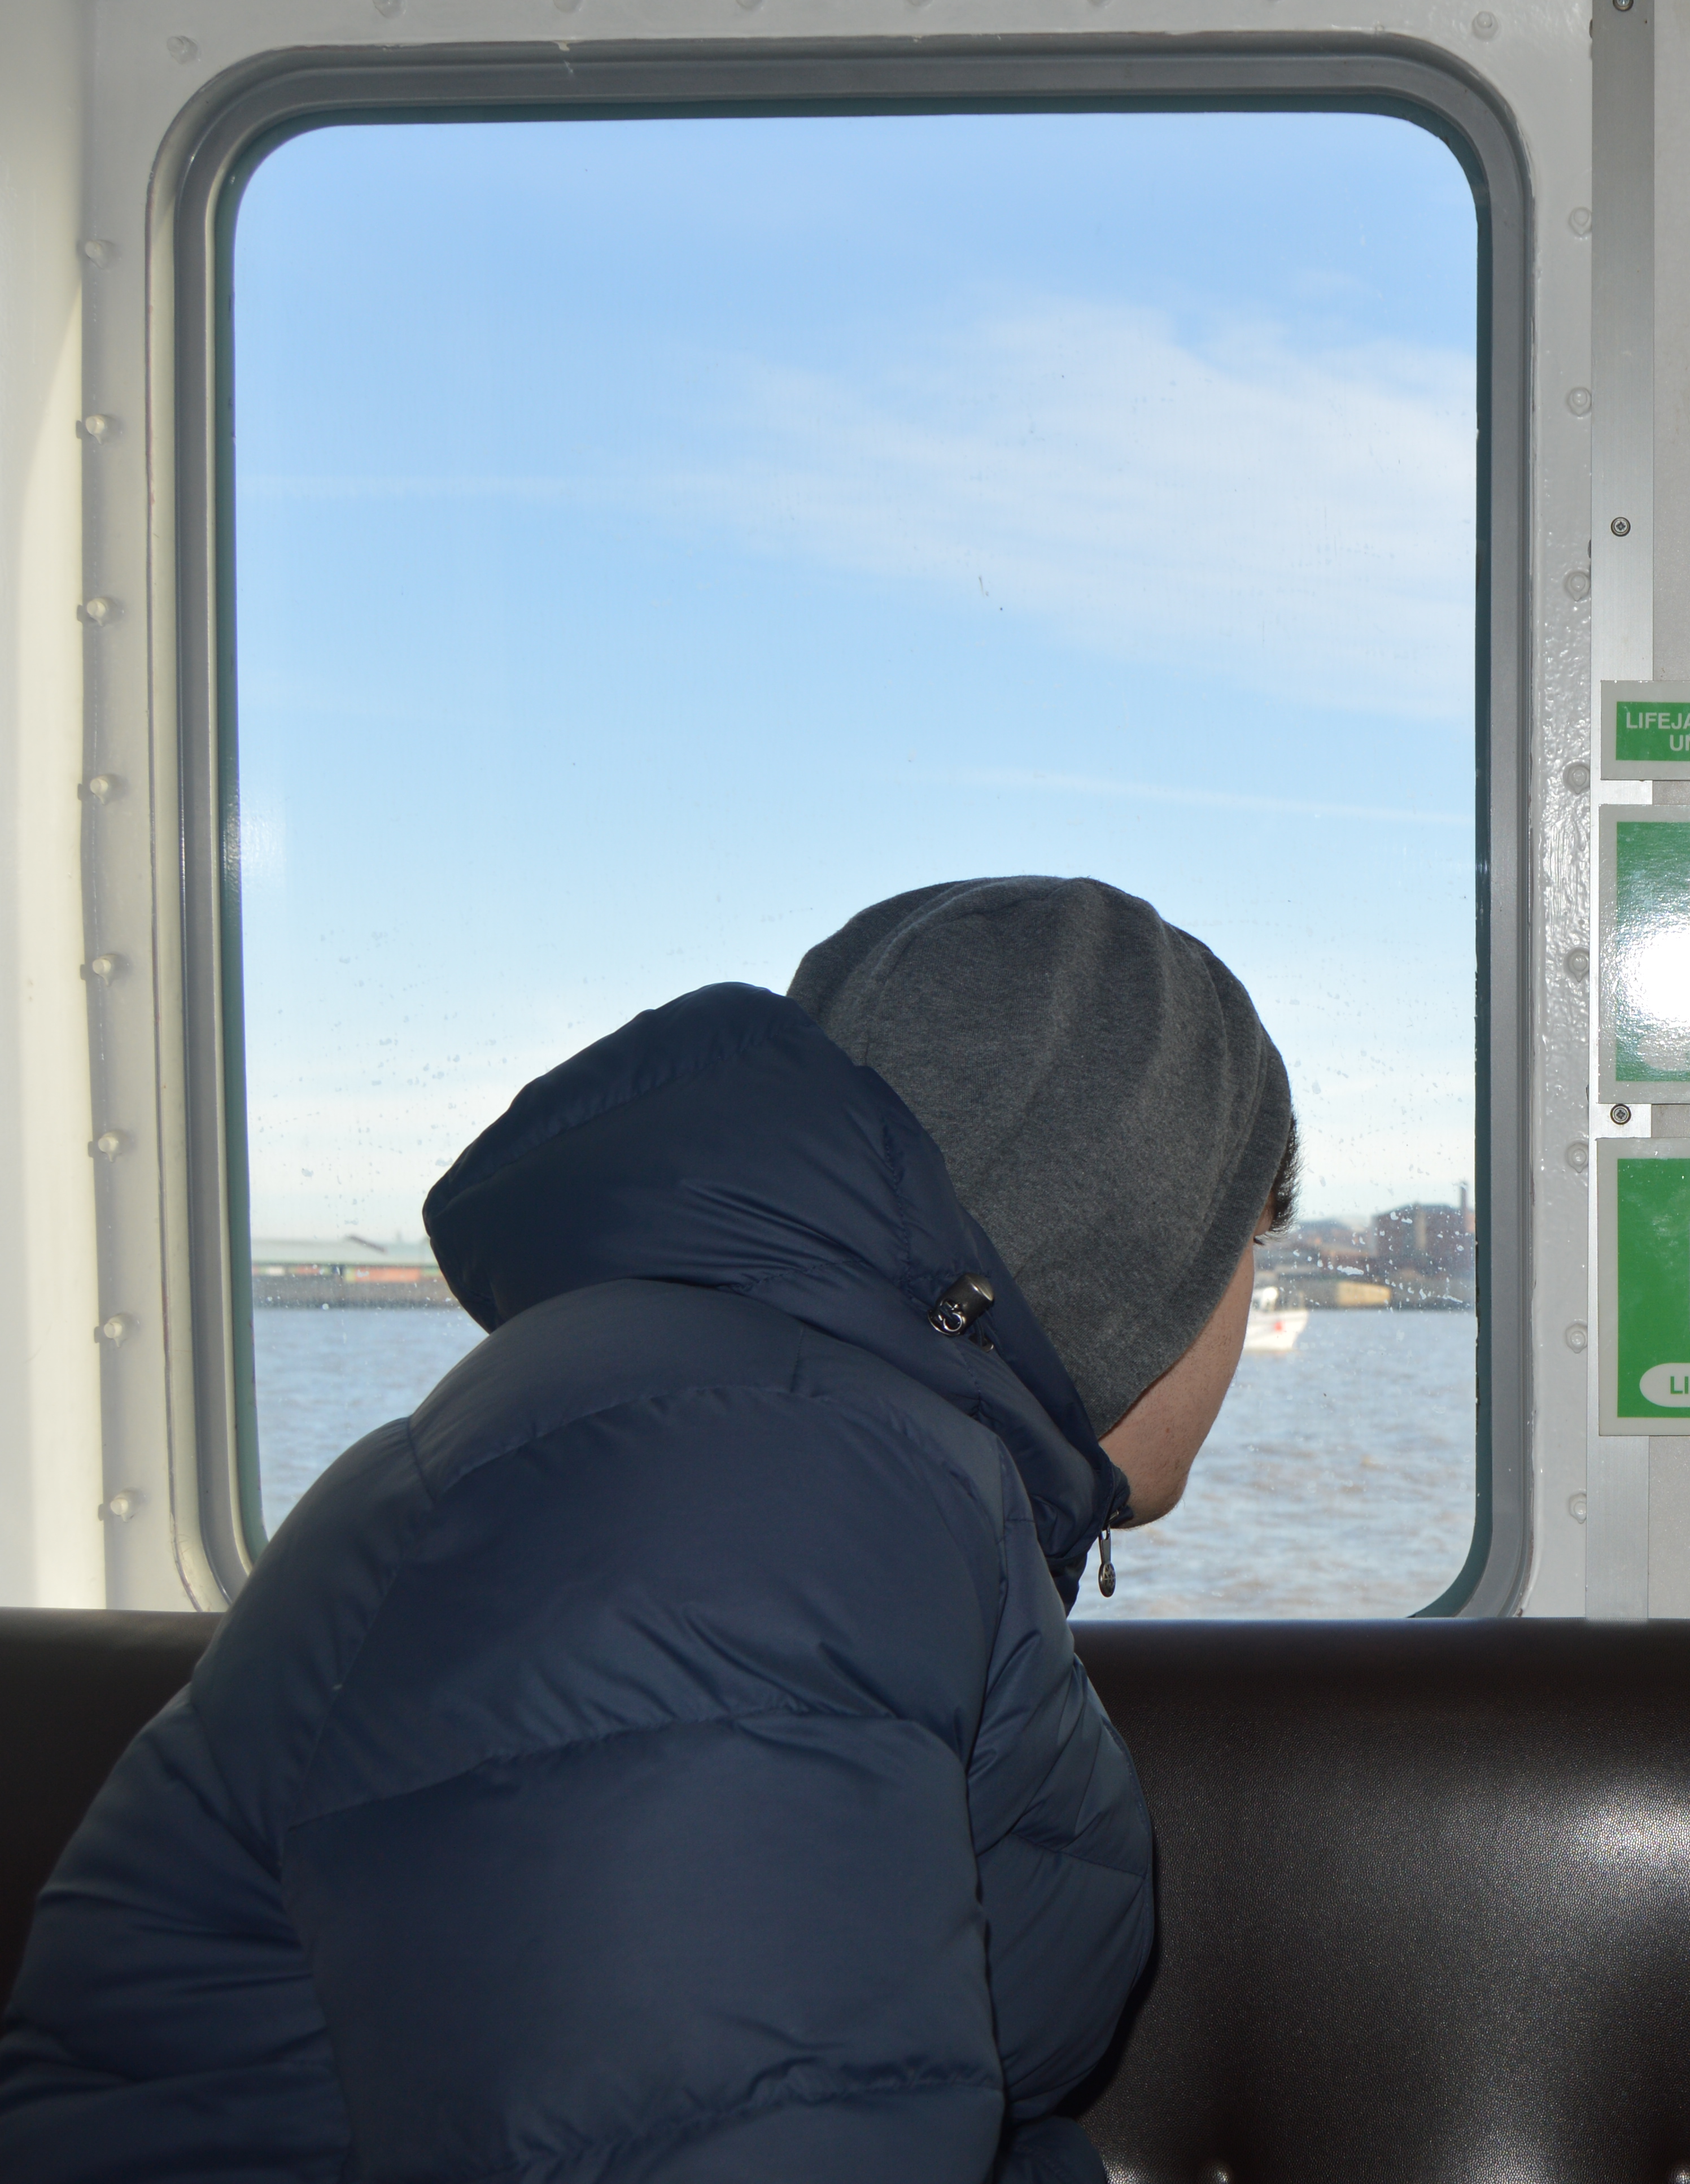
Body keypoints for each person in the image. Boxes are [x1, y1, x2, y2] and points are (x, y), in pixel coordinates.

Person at [0, 877, 1293, 2182]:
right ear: (1140, 1252)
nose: (1250, 1304)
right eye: (1252, 1239)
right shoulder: (761, 1485)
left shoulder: (772, 1429)